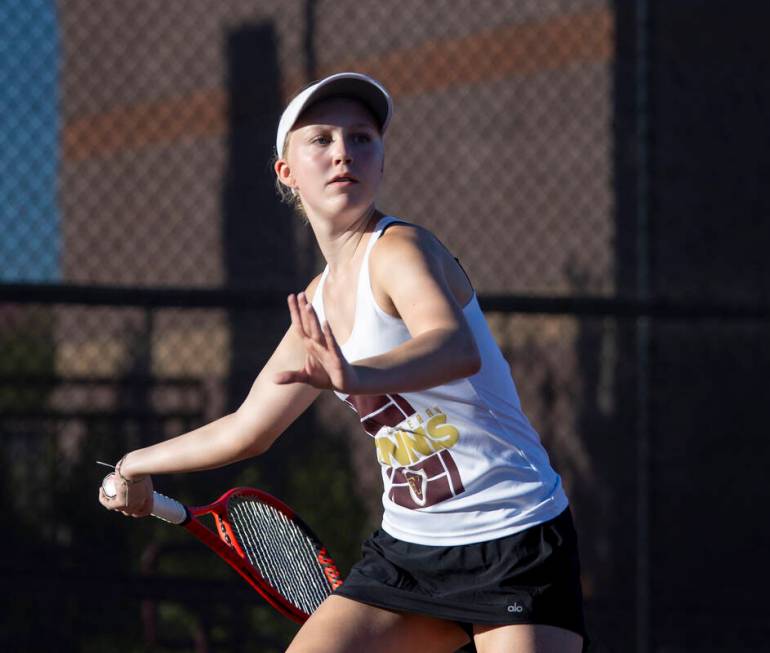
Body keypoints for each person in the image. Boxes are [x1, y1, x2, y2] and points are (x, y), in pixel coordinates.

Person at [99, 72, 586, 653]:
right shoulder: (319, 304)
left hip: (514, 535)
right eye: (322, 140)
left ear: (381, 161)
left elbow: (454, 347)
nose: (343, 154)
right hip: (409, 554)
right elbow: (247, 428)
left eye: (362, 139)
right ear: (287, 172)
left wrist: (358, 377)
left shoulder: (400, 249)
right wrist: (131, 465)